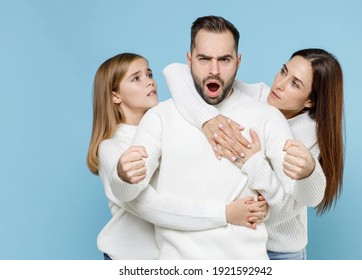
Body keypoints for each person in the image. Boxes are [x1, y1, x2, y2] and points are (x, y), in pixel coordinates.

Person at [111, 16, 324, 259]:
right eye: (204, 59)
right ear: (189, 60)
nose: (214, 70)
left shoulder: (268, 117)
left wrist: (306, 172)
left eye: (224, 59)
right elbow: (128, 194)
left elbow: (297, 203)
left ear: (238, 62)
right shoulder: (159, 116)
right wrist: (122, 175)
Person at [163, 48, 344, 259]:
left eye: (295, 84)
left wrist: (253, 162)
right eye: (283, 71)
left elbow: (291, 206)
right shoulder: (258, 95)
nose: (279, 85)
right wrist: (207, 119)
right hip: (237, 245)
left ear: (309, 101)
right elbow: (176, 71)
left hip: (280, 251)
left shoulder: (309, 134)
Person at [86, 53, 267, 260]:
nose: (150, 82)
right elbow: (151, 207)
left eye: (149, 74)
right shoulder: (111, 148)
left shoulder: (165, 125)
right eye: (136, 78)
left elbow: (178, 71)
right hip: (129, 260)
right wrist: (226, 214)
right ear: (115, 96)